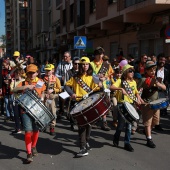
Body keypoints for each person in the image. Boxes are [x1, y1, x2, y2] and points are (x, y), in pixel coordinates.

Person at [65, 57, 101, 157]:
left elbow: (99, 87)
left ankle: (86, 141)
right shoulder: (75, 77)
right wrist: (72, 93)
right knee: (81, 125)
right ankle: (82, 147)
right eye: (83, 64)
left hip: (89, 102)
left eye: (87, 64)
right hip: (79, 103)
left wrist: (101, 83)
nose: (85, 66)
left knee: (89, 124)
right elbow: (66, 86)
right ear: (80, 66)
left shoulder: (93, 77)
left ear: (89, 65)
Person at [13, 64, 46, 163]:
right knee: (28, 131)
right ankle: (28, 153)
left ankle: (34, 146)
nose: (32, 75)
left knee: (36, 130)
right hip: (25, 110)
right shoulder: (23, 82)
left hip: (37, 111)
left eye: (33, 72)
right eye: (30, 73)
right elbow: (13, 90)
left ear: (37, 73)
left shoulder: (40, 82)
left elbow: (43, 92)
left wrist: (43, 97)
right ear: (27, 73)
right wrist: (27, 86)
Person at [110, 64, 143, 152]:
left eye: (133, 71)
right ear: (125, 72)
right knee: (121, 125)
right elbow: (111, 87)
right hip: (122, 105)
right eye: (130, 71)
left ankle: (127, 143)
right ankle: (116, 137)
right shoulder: (121, 81)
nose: (132, 73)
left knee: (129, 126)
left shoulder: (134, 82)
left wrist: (139, 98)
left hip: (131, 105)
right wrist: (120, 89)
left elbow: (136, 92)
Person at [138, 61, 166, 148]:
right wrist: (139, 99)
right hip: (146, 103)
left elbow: (164, 88)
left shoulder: (157, 79)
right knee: (148, 122)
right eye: (150, 70)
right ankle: (149, 139)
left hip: (156, 104)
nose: (153, 72)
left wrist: (158, 84)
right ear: (146, 71)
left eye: (154, 69)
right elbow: (136, 90)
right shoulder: (143, 79)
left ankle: (146, 131)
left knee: (156, 121)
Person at [90, 46, 114, 131]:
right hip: (94, 87)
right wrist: (98, 79)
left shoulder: (106, 64)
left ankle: (104, 122)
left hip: (104, 87)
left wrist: (106, 79)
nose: (100, 56)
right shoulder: (91, 64)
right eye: (98, 54)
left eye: (102, 54)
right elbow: (90, 75)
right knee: (93, 104)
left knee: (104, 104)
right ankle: (93, 121)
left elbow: (110, 75)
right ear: (95, 55)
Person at [43, 64, 62, 136]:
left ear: (53, 70)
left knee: (53, 112)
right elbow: (39, 87)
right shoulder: (42, 78)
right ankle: (44, 124)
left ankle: (52, 127)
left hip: (52, 97)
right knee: (44, 111)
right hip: (44, 97)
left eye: (49, 70)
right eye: (46, 70)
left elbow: (60, 89)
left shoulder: (56, 79)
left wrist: (53, 90)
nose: (47, 71)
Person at [55, 51, 73, 116]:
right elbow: (56, 74)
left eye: (66, 56)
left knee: (71, 100)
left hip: (72, 85)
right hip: (64, 85)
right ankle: (61, 111)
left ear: (70, 57)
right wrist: (60, 77)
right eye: (64, 56)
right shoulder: (60, 64)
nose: (65, 58)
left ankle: (70, 113)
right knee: (62, 99)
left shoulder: (73, 64)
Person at [10, 69, 25, 134]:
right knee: (16, 115)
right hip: (15, 100)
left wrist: (16, 89)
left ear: (19, 74)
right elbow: (12, 89)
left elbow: (23, 89)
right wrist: (12, 82)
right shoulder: (14, 82)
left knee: (22, 115)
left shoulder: (24, 81)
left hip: (23, 100)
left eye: (15, 74)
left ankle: (23, 126)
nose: (14, 75)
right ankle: (18, 128)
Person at [66, 57, 80, 130]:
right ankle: (73, 123)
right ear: (73, 64)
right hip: (71, 93)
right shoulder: (69, 72)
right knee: (73, 109)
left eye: (78, 63)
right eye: (75, 63)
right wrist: (70, 94)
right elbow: (66, 84)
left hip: (80, 93)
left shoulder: (82, 72)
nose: (77, 65)